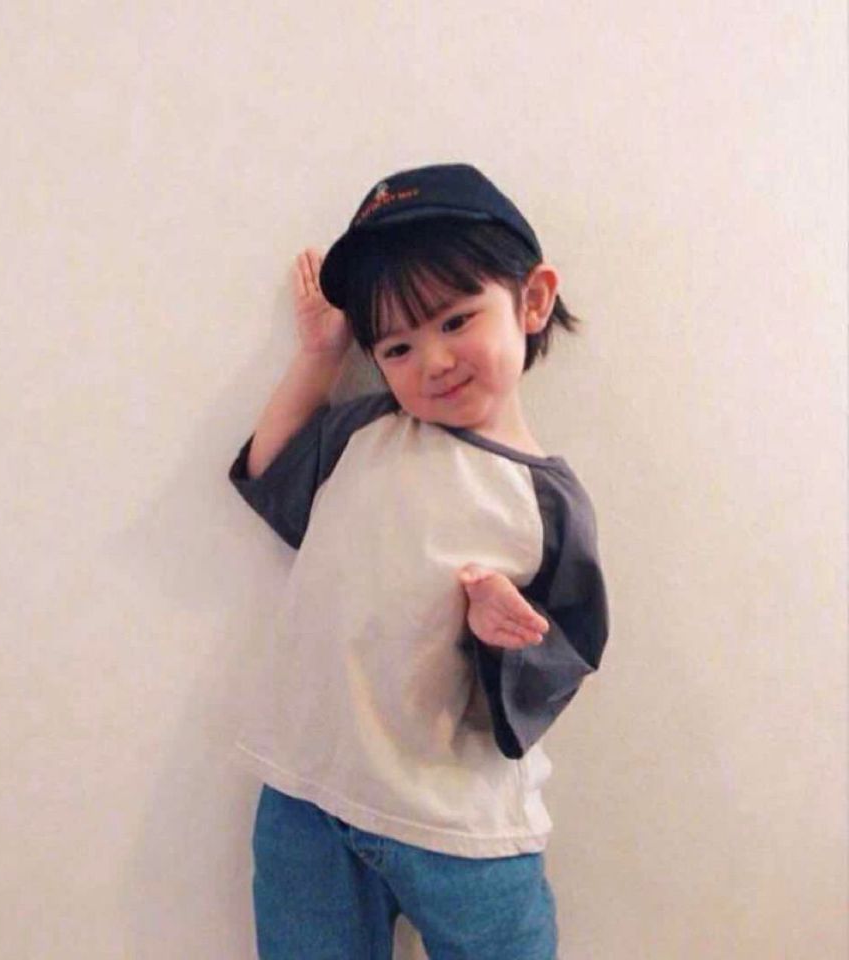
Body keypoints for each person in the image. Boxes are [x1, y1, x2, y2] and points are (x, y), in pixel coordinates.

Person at [227, 163, 609, 960]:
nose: (433, 362)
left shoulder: (544, 500)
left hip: (456, 823)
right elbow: (270, 469)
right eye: (397, 346)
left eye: (456, 320)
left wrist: (506, 635)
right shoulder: (365, 433)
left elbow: (562, 660)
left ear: (533, 299)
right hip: (309, 793)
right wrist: (321, 356)